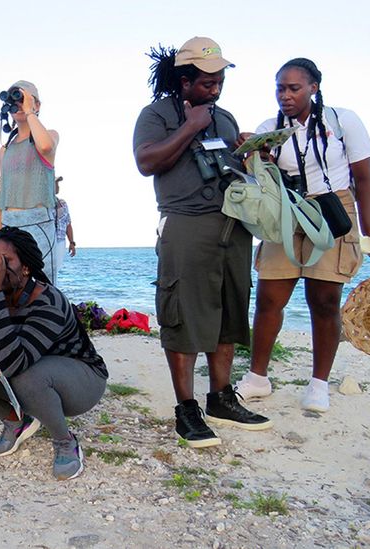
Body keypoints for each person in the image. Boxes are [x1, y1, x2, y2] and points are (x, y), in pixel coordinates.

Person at [132, 37, 272, 448]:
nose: (215, 88)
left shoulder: (225, 118)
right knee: (183, 317)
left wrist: (246, 152)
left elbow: (227, 168)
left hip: (232, 227)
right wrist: (189, 128)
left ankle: (221, 399)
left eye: (219, 80)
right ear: (184, 79)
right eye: (207, 81)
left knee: (228, 312)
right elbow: (146, 162)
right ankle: (186, 409)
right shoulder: (157, 114)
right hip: (186, 226)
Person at [234, 58, 370, 412]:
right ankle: (258, 377)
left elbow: (365, 178)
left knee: (324, 301)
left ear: (313, 88)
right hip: (287, 209)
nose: (285, 95)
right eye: (280, 88)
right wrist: (255, 155)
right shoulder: (269, 127)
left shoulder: (342, 121)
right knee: (269, 297)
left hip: (333, 207)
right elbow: (259, 182)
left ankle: (319, 383)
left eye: (294, 88)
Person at [0, 227, 107, 480]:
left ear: (26, 267)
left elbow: (15, 363)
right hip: (24, 369)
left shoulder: (48, 301)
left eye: (5, 261)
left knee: (26, 375)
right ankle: (17, 422)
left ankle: (64, 440)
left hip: (80, 381)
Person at [0, 81, 61, 284]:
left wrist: (30, 112)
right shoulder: (5, 149)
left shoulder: (50, 135)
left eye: (23, 98)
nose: (19, 104)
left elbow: (45, 146)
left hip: (38, 222)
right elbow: (2, 195)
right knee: (9, 285)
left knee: (43, 285)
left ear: (36, 105)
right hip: (9, 222)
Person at [52, 176, 75, 276]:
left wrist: (72, 242)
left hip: (60, 241)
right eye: (56, 183)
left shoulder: (63, 203)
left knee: (55, 270)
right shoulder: (43, 204)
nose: (58, 186)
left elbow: (68, 224)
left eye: (58, 183)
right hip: (48, 240)